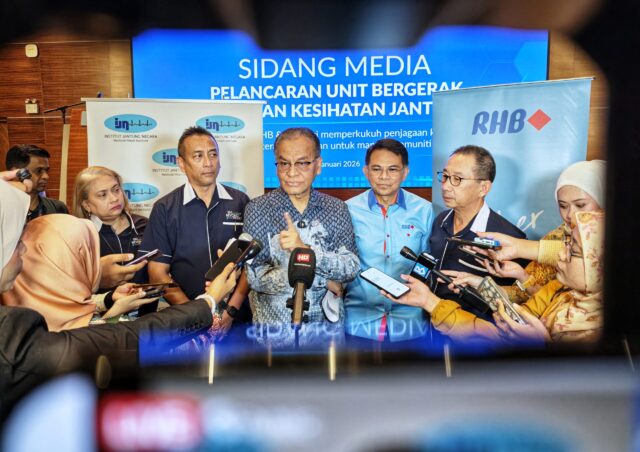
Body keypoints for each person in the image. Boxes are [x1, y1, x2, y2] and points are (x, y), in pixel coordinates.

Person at [0, 175, 239, 420]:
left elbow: (93, 332)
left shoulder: (21, 320)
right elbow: (135, 338)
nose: (23, 249)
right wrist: (213, 299)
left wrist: (109, 303)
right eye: (85, 256)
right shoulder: (25, 340)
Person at [386, 210, 604, 346]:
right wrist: (429, 301)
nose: (560, 255)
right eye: (566, 245)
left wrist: (542, 346)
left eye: (574, 251)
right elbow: (499, 333)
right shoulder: (558, 289)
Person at [244, 127, 359, 348]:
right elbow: (254, 277)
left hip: (326, 337)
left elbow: (351, 268)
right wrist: (323, 280)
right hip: (273, 339)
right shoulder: (257, 209)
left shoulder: (336, 208)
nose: (292, 172)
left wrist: (305, 250)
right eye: (284, 163)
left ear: (318, 165)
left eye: (302, 163)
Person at [140, 126, 251, 334]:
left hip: (237, 319)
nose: (208, 163)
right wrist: (196, 315)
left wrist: (230, 312)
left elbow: (250, 266)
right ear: (181, 163)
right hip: (188, 325)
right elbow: (158, 273)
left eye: (213, 154)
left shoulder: (241, 202)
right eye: (198, 156)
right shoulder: (165, 208)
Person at [477, 160, 606, 303]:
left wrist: (519, 247)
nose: (570, 215)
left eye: (580, 205)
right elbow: (532, 298)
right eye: (563, 206)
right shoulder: (557, 236)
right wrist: (480, 285)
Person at [344, 138, 433, 345]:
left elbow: (427, 263)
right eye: (377, 169)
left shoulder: (424, 210)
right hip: (360, 323)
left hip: (410, 323)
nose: (384, 177)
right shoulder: (348, 210)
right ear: (366, 172)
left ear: (405, 172)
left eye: (392, 169)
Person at [0, 214, 154, 331]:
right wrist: (115, 314)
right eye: (84, 254)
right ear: (68, 260)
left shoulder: (28, 297)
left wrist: (109, 299)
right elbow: (82, 342)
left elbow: (67, 306)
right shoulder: (34, 331)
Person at [429, 145, 526, 318]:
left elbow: (520, 297)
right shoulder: (440, 220)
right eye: (445, 176)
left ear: (483, 188)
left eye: (457, 179)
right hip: (432, 322)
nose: (445, 186)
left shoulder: (510, 238)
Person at [72, 166, 151, 296]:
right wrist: (97, 278)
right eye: (103, 195)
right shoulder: (78, 235)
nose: (114, 198)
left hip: (147, 305)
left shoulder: (144, 225)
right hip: (101, 308)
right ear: (86, 205)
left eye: (116, 190)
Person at [4, 144, 68, 221]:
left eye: (46, 170)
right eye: (39, 171)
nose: (46, 176)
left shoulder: (58, 208)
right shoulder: (3, 209)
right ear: (16, 172)